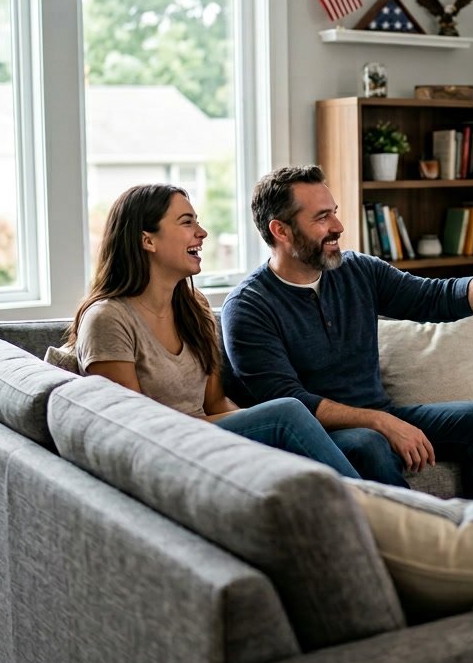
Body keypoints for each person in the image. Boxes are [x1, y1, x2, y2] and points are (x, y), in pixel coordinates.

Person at [221, 165, 473, 506]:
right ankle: (417, 553)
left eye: (335, 213)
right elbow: (291, 403)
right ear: (280, 230)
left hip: (379, 415)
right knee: (368, 443)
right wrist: (381, 421)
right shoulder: (249, 307)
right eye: (322, 217)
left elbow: (438, 297)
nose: (338, 227)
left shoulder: (357, 270)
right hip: (319, 437)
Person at [67, 184, 360, 478]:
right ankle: (372, 512)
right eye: (186, 222)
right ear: (147, 240)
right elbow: (132, 426)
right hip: (163, 450)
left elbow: (215, 403)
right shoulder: (108, 319)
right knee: (287, 413)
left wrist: (258, 432)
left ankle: (365, 508)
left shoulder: (194, 307)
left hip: (209, 440)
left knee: (354, 440)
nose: (202, 233)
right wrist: (272, 423)